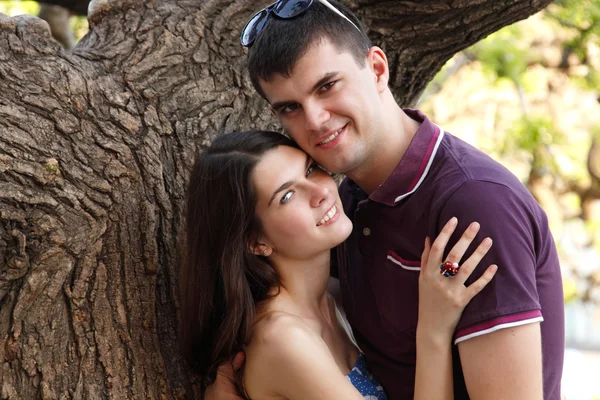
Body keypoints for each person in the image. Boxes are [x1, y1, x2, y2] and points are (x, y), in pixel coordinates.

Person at [209, 0, 565, 399]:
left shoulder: (474, 206)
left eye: (327, 86)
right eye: (290, 108)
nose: (315, 120)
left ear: (377, 69)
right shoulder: (345, 205)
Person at [179, 130, 498, 399]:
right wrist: (434, 330)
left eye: (309, 170)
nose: (320, 191)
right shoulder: (283, 338)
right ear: (255, 242)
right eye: (286, 196)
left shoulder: (336, 297)